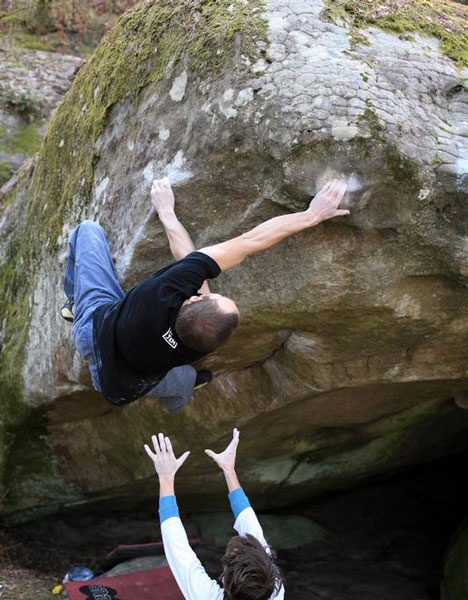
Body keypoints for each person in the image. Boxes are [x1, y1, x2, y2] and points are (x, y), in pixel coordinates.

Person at [62, 177, 348, 410]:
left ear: (194, 299)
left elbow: (250, 242)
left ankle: (73, 303)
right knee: (169, 379)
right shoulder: (200, 343)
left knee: (87, 230)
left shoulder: (162, 293)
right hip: (126, 379)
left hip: (93, 330)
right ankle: (185, 388)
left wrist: (311, 216)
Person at [144, 427, 285, 600]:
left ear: (224, 579)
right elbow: (251, 527)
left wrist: (166, 477)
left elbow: (177, 548)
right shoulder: (273, 590)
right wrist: (229, 469)